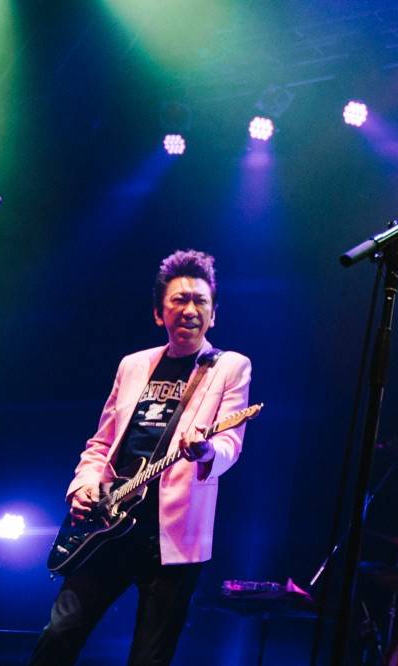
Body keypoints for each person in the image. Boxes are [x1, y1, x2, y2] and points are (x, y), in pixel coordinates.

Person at [30, 250, 252, 666]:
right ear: (158, 312)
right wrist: (83, 486)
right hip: (107, 521)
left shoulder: (230, 367)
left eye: (200, 301)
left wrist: (205, 450)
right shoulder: (133, 365)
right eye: (179, 300)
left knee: (150, 658)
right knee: (59, 634)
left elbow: (229, 444)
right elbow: (101, 443)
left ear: (213, 315)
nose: (190, 309)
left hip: (173, 537)